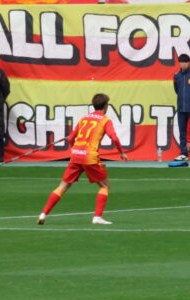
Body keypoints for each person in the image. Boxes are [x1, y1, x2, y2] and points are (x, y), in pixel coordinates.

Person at [37, 93, 129, 226]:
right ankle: (97, 217)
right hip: (89, 156)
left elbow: (70, 138)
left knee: (62, 186)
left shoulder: (84, 119)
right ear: (106, 106)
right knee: (105, 186)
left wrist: (75, 150)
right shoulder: (105, 120)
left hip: (75, 155)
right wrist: (121, 153)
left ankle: (43, 214)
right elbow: (114, 137)